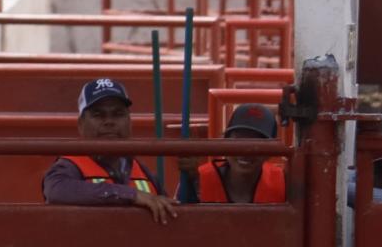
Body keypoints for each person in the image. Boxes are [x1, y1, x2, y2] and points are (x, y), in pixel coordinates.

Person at [43, 78, 177, 224]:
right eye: (98, 115)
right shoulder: (69, 166)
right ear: (81, 124)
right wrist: (130, 195)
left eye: (118, 114)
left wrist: (190, 178)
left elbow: (175, 212)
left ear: (130, 122)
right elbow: (57, 191)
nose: (109, 121)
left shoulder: (141, 170)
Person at [176, 103, 288, 204]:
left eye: (256, 142)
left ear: (270, 152)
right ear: (225, 141)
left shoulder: (284, 183)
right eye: (239, 139)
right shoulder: (198, 178)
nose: (245, 151)